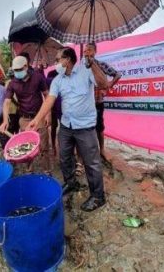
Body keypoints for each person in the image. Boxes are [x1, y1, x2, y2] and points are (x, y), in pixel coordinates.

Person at [26, 47, 108, 212]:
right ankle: (71, 182)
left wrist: (93, 64)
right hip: (66, 126)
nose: (56, 63)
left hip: (85, 127)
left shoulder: (86, 71)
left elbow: (104, 83)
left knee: (92, 163)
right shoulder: (58, 80)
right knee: (64, 158)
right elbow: (49, 100)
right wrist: (37, 119)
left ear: (68, 59)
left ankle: (98, 196)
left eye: (58, 60)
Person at [0, 56, 51, 173]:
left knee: (43, 147)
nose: (17, 73)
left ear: (26, 66)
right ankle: (29, 169)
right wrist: (5, 120)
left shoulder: (38, 78)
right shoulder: (12, 83)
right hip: (24, 119)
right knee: (26, 146)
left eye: (19, 70)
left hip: (39, 117)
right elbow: (7, 102)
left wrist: (48, 114)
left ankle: (46, 171)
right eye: (15, 71)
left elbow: (47, 95)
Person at [85, 44, 122, 160]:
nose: (86, 53)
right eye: (85, 51)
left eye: (89, 50)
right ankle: (89, 151)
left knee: (99, 127)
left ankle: (102, 150)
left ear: (95, 52)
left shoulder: (101, 65)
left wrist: (109, 85)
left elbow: (118, 74)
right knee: (86, 128)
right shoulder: (82, 67)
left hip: (98, 102)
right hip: (85, 104)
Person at [46, 70, 62, 156]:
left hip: (59, 108)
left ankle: (56, 147)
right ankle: (54, 146)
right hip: (54, 108)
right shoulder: (51, 74)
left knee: (57, 128)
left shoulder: (62, 76)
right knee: (54, 127)